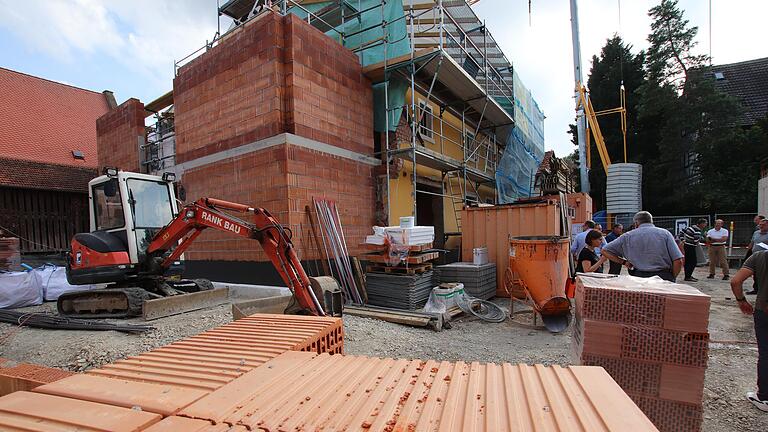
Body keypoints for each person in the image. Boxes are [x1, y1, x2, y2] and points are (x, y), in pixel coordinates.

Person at [729, 251, 768, 412]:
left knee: (766, 353)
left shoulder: (760, 256)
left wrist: (741, 301)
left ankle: (764, 397)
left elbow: (736, 281)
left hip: (764, 310)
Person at [601, 211, 684, 282]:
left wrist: (623, 262)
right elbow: (678, 260)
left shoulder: (627, 236)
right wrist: (672, 277)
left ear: (636, 223)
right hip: (663, 277)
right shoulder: (665, 234)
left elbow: (604, 250)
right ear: (651, 221)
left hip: (638, 278)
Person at [746, 219, 768, 295]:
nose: (761, 226)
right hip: (755, 256)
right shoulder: (756, 233)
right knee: (755, 274)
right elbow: (752, 242)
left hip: (765, 257)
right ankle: (756, 289)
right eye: (760, 225)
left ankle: (764, 290)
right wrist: (748, 252)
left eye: (763, 225)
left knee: (764, 274)